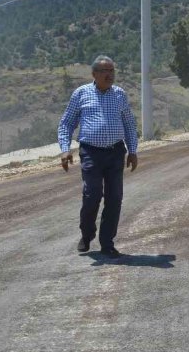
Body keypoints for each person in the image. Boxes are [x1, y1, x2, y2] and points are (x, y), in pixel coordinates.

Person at [58, 55, 138, 258]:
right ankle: (86, 234)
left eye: (112, 70)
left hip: (116, 152)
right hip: (91, 152)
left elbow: (129, 124)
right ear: (94, 74)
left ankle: (107, 244)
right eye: (105, 71)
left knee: (114, 198)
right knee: (91, 194)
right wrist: (65, 149)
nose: (109, 74)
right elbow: (66, 123)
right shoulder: (81, 94)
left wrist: (133, 150)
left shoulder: (120, 95)